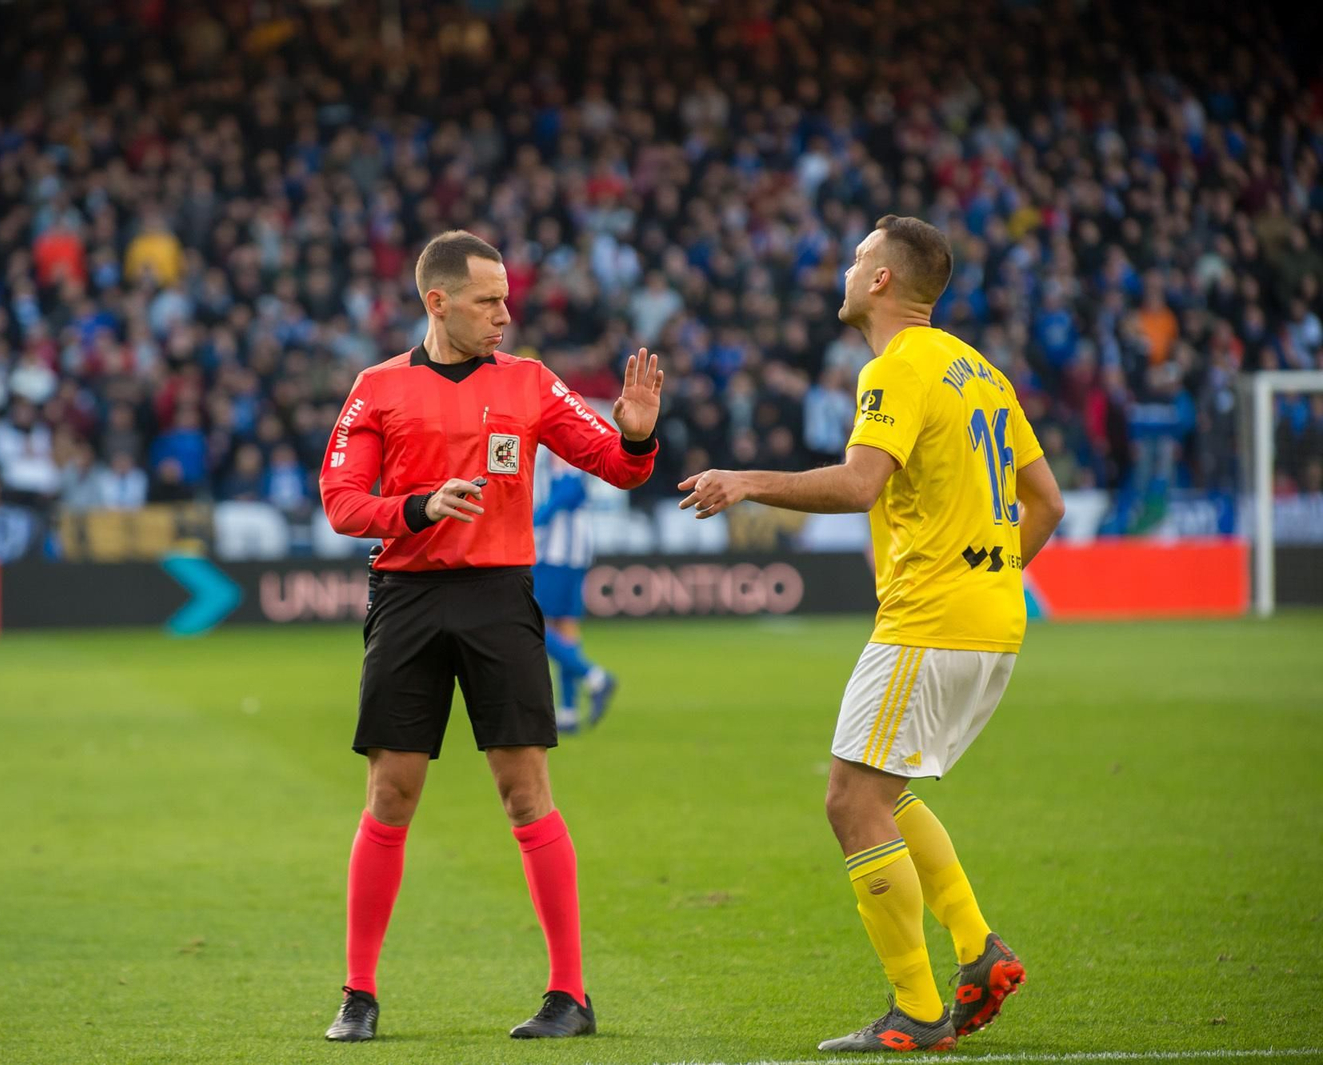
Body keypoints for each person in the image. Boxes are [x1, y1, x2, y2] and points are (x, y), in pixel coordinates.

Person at [677, 215, 1066, 1054]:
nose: (846, 270)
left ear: (884, 281)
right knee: (883, 791)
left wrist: (746, 480)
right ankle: (977, 950)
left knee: (851, 799)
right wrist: (995, 576)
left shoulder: (896, 367)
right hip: (991, 618)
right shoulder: (980, 370)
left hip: (931, 617)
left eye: (857, 259)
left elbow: (859, 484)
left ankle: (919, 1011)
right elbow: (1048, 503)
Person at [317, 230, 664, 1042]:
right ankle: (358, 993)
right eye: (487, 300)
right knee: (391, 792)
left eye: (506, 297)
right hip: (405, 597)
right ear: (437, 302)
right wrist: (418, 507)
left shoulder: (531, 383)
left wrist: (639, 433)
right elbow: (340, 502)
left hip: (500, 598)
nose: (505, 313)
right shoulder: (377, 388)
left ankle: (569, 995)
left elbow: (616, 464)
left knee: (525, 790)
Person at [532, 442, 615, 732]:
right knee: (564, 628)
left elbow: (567, 492)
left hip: (554, 555)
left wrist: (530, 523)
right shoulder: (563, 451)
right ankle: (568, 711)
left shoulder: (563, 450)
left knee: (532, 623)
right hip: (572, 554)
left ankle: (594, 676)